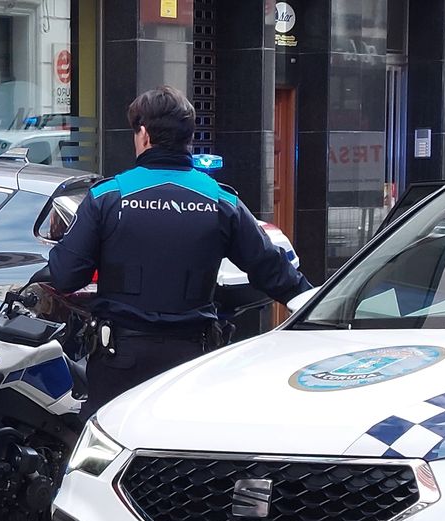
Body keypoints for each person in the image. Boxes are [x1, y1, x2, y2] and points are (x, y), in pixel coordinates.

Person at [47, 86, 311, 419]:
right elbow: (273, 271)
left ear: (143, 134)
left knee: (111, 456)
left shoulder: (107, 196)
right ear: (188, 137)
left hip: (121, 360)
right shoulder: (222, 200)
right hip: (192, 361)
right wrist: (323, 308)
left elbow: (65, 275)